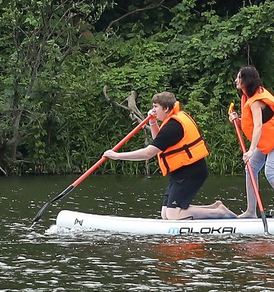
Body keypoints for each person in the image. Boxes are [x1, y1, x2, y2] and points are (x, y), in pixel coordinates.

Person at [101, 92, 238, 220]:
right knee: (165, 214)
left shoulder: (174, 126)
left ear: (166, 109)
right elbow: (159, 142)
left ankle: (219, 213)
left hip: (191, 171)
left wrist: (117, 156)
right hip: (179, 172)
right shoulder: (170, 122)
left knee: (173, 214)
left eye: (156, 107)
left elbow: (149, 153)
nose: (153, 110)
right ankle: (215, 207)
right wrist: (153, 122)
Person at [229, 65, 274, 217]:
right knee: (250, 169)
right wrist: (238, 120)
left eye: (239, 77)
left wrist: (251, 150)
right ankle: (250, 211)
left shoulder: (256, 101)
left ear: (246, 81)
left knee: (270, 172)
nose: (236, 80)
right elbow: (254, 124)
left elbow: (259, 126)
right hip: (268, 139)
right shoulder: (249, 97)